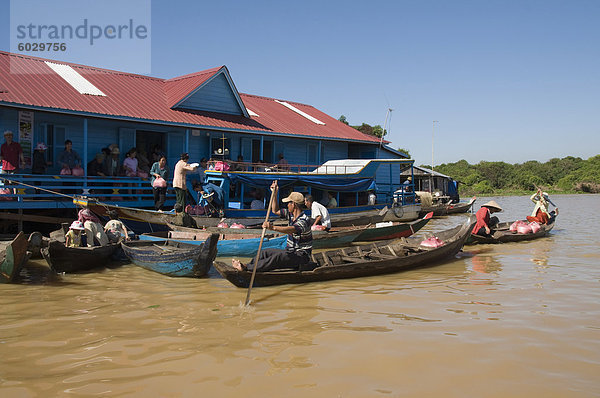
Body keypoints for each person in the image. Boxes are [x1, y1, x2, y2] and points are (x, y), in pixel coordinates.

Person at [232, 180, 312, 272]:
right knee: (265, 252)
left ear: (293, 204)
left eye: (288, 203)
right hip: (290, 251)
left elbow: (291, 230)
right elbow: (275, 210)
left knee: (277, 257)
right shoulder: (291, 214)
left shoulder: (304, 220)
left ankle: (247, 268)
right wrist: (274, 193)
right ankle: (248, 266)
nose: (287, 205)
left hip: (301, 256)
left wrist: (272, 227)